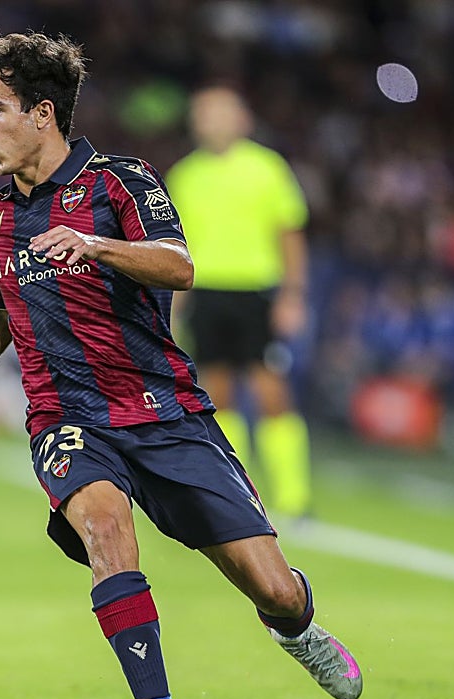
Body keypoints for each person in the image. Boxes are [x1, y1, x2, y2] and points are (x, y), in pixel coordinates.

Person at [0, 32, 361, 699]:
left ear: (41, 113)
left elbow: (179, 266)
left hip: (163, 412)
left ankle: (296, 627)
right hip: (66, 419)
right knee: (104, 526)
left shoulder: (121, 183)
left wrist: (95, 246)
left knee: (274, 589)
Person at [166, 87, 314, 518]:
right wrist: (172, 309)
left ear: (242, 119)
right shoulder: (184, 175)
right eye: (205, 114)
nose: (213, 121)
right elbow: (176, 247)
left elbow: (289, 234)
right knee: (218, 394)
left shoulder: (267, 168)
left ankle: (294, 497)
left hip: (256, 293)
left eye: (221, 113)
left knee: (272, 391)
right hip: (206, 293)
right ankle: (240, 495)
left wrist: (293, 294)